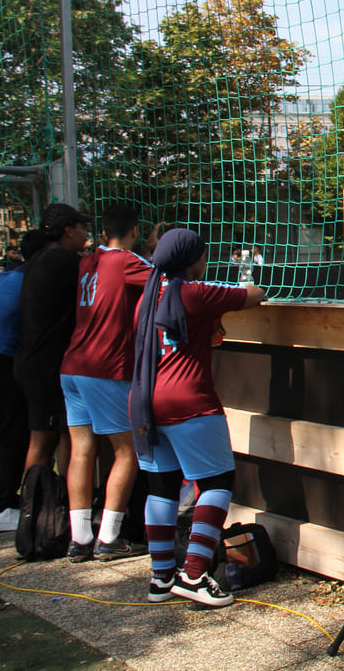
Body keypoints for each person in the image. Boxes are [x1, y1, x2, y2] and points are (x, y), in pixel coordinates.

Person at [131, 228, 265, 606]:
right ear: (191, 260)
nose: (205, 261)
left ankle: (161, 577)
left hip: (145, 401)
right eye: (202, 256)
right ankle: (194, 574)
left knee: (160, 486)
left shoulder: (147, 296)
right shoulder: (197, 293)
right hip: (191, 402)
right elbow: (255, 294)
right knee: (218, 483)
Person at [60, 203, 158, 562]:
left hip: (72, 365)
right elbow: (164, 278)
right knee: (127, 450)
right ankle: (109, 538)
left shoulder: (90, 260)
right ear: (134, 232)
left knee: (82, 450)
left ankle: (80, 539)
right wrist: (153, 251)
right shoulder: (126, 261)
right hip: (106, 368)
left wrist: (142, 251)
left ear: (102, 234)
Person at [14, 203, 92, 475]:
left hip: (37, 362)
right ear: (67, 230)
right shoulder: (62, 261)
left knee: (64, 435)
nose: (86, 235)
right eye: (83, 228)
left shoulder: (41, 258)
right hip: (44, 366)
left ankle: (56, 504)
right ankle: (33, 510)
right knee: (43, 440)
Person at [0, 231, 44, 531]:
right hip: (2, 359)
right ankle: (3, 506)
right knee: (12, 433)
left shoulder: (9, 277)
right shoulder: (32, 282)